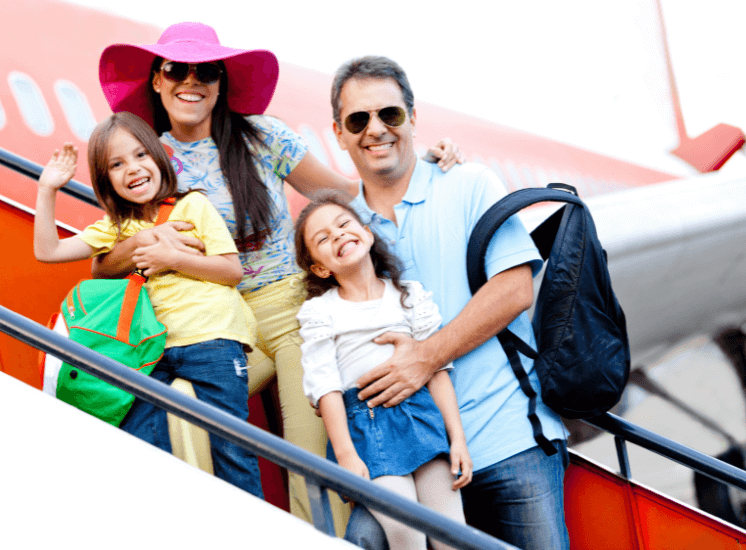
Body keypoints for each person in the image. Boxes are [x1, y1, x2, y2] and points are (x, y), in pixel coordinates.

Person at [94, 22, 464, 530]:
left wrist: (419, 165)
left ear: (220, 83)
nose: (191, 81)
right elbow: (106, 256)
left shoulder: (262, 136)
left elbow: (345, 192)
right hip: (220, 326)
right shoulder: (148, 157)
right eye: (176, 69)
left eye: (205, 71)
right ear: (157, 80)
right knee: (182, 413)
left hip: (289, 311)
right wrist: (139, 245)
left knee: (306, 452)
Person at [329, 56, 570, 549]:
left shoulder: (468, 183)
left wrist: (425, 357)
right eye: (359, 120)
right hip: (410, 463)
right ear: (338, 132)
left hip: (508, 440)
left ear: (413, 119)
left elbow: (514, 290)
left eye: (389, 115)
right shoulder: (342, 227)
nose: (376, 130)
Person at [33, 112, 262, 499]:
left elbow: (230, 270)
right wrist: (48, 190)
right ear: (106, 181)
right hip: (153, 350)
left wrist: (172, 260)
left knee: (232, 449)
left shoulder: (193, 207)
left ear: (159, 158)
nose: (133, 169)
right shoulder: (114, 228)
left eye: (141, 155)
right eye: (117, 165)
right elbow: (48, 250)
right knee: (141, 437)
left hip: (213, 341)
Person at [294, 191, 471, 550]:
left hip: (421, 416)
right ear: (320, 268)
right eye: (323, 239)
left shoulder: (408, 295)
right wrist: (345, 454)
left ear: (367, 233)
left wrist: (458, 439)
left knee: (451, 530)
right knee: (405, 529)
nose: (338, 235)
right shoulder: (321, 313)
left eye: (343, 224)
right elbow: (325, 387)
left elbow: (437, 370)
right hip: (367, 427)